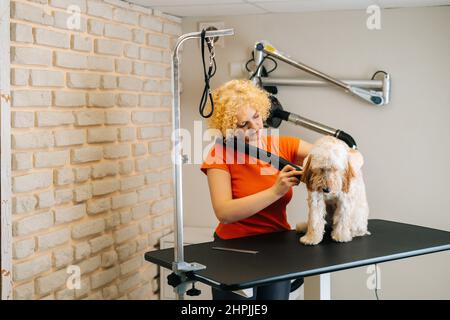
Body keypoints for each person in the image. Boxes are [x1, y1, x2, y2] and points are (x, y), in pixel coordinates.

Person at [200, 79, 313, 300]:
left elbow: (327, 157)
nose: (256, 127)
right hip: (233, 250)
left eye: (256, 116)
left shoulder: (282, 145)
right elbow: (224, 212)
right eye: (244, 125)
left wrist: (350, 155)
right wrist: (275, 191)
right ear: (228, 127)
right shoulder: (220, 154)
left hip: (277, 248)